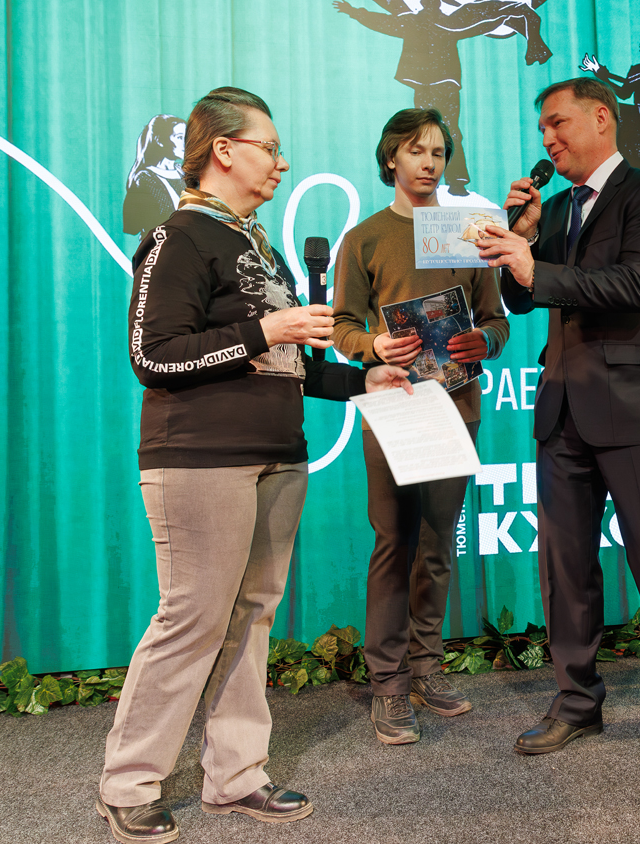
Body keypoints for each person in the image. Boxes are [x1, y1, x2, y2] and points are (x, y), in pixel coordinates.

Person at [96, 87, 410, 844]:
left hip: (278, 456)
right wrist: (267, 327)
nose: (282, 162)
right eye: (269, 147)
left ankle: (236, 775)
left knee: (252, 615)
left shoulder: (258, 246)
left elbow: (285, 362)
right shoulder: (178, 237)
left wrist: (363, 380)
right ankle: (128, 783)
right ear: (224, 150)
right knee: (192, 616)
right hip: (200, 460)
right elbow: (153, 356)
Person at [475, 77, 640, 759]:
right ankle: (576, 702)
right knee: (564, 566)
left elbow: (634, 284)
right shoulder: (558, 209)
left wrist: (534, 268)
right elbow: (524, 299)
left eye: (557, 123)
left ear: (601, 117)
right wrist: (523, 242)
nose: (547, 138)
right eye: (542, 129)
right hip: (561, 408)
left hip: (633, 407)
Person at [332, 107, 509, 745]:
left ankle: (426, 668)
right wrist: (373, 346)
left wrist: (485, 342)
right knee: (394, 544)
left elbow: (497, 320)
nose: (429, 163)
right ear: (391, 160)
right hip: (394, 410)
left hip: (457, 406)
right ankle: (388, 684)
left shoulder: (467, 232)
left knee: (436, 546)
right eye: (416, 151)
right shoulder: (365, 239)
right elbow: (341, 326)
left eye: (437, 152)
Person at [333, 0, 552, 196]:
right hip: (427, 86)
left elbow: (480, 24)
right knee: (432, 137)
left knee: (449, 134)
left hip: (443, 87)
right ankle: (444, 183)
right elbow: (382, 22)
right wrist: (354, 12)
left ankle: (456, 181)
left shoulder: (442, 22)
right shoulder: (422, 22)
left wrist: (506, 15)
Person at [122, 114, 187, 237]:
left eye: (186, 137)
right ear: (160, 140)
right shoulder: (145, 179)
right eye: (179, 137)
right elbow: (131, 227)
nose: (185, 143)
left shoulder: (185, 173)